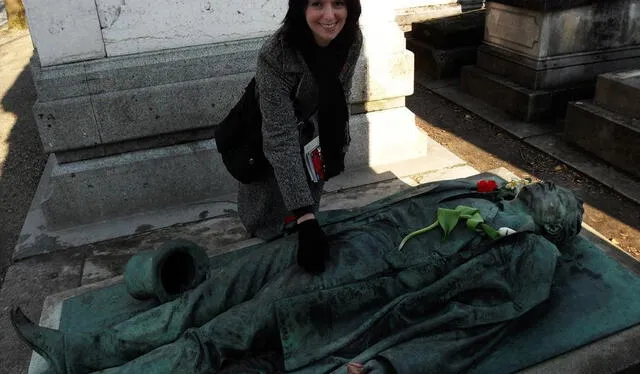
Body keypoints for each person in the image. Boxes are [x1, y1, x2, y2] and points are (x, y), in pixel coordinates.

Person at [10, 178, 585, 374]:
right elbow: (391, 207)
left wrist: (389, 366)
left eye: (560, 196)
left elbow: (476, 324)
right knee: (211, 294)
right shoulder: (483, 184)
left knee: (220, 336)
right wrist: (315, 223)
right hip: (328, 240)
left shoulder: (532, 255)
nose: (547, 186)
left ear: (558, 225)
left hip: (355, 280)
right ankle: (87, 350)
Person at [237, 0, 363, 274]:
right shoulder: (276, 54)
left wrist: (331, 145)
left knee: (311, 184)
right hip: (269, 128)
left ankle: (303, 217)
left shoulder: (352, 38)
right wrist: (304, 217)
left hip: (316, 126)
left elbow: (340, 95)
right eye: (317, 4)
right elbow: (279, 138)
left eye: (338, 4)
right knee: (269, 214)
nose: (330, 16)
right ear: (301, 9)